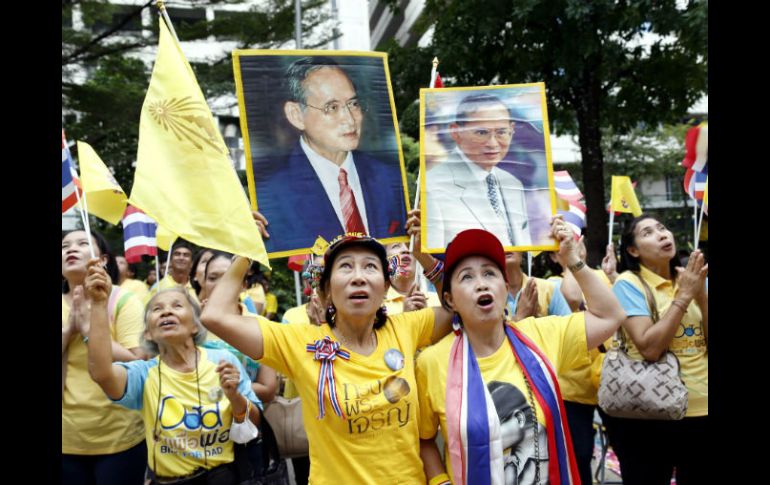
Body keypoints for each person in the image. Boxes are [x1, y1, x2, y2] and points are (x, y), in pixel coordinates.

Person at [200, 226, 455, 483]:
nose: (359, 277)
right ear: (327, 290)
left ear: (386, 287)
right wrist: (246, 250)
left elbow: (454, 304)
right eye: (345, 266)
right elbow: (215, 316)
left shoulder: (406, 328)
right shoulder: (300, 343)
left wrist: (423, 255)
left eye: (370, 267)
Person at [415, 218, 626, 485]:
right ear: (450, 300)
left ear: (505, 288)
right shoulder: (431, 362)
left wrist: (572, 261)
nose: (481, 284)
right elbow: (424, 439)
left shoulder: (540, 335)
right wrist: (440, 481)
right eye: (467, 277)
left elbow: (611, 316)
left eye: (490, 273)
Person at [86, 264, 262, 485]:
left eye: (177, 306)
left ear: (195, 326)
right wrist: (99, 304)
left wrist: (235, 397)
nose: (166, 311)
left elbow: (254, 423)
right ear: (148, 333)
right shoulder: (144, 374)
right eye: (157, 309)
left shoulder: (223, 361)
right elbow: (101, 373)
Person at [254, 56, 407, 254]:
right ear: (296, 115)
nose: (349, 119)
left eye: (353, 104)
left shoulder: (390, 178)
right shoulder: (271, 196)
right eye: (332, 107)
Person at [600, 215, 708, 485]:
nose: (662, 234)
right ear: (633, 250)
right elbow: (650, 347)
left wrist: (701, 295)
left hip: (701, 409)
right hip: (649, 413)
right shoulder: (628, 283)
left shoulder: (692, 279)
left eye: (662, 228)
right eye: (648, 232)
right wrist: (683, 297)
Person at [61, 230, 147, 485]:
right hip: (67, 436)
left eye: (82, 243)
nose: (70, 249)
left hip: (120, 435)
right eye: (64, 246)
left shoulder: (124, 300)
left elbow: (138, 361)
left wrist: (90, 330)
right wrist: (69, 330)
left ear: (103, 260)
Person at [426, 93, 531, 249]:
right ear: (455, 132)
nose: (493, 143)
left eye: (501, 132)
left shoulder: (512, 183)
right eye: (481, 133)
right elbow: (429, 261)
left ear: (512, 130)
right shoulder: (432, 185)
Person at [383, 241, 442, 315]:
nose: (406, 250)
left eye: (410, 245)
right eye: (396, 246)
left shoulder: (439, 301)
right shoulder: (377, 306)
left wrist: (426, 316)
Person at [147, 239, 198, 304]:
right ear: (170, 261)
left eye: (186, 255)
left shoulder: (198, 288)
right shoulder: (158, 287)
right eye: (177, 254)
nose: (181, 258)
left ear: (192, 263)